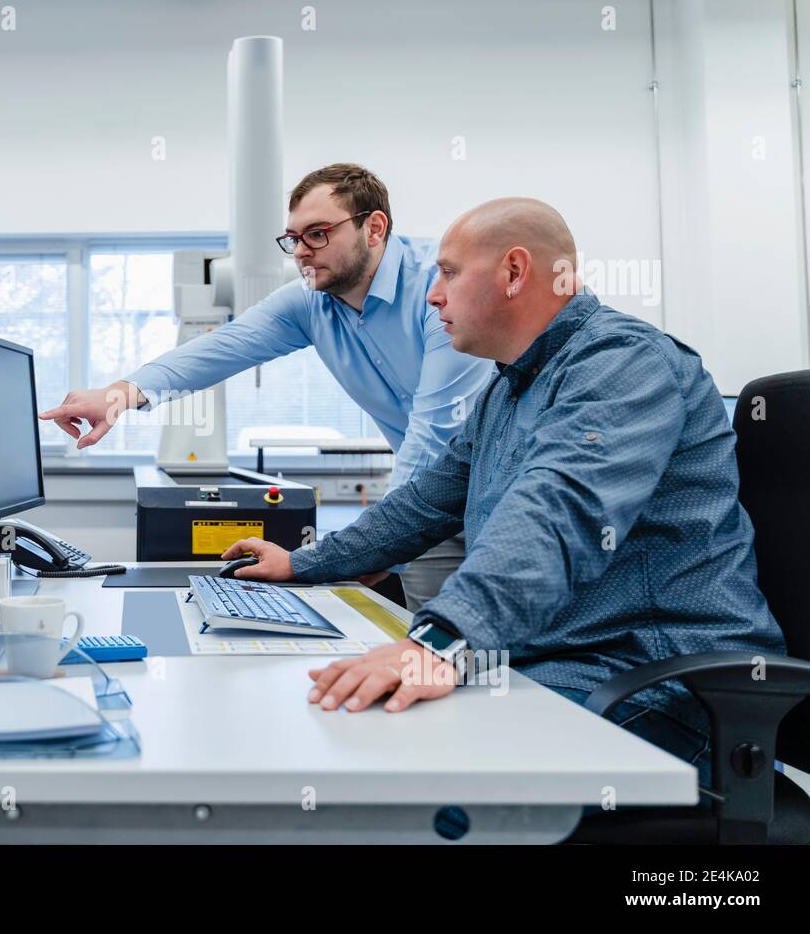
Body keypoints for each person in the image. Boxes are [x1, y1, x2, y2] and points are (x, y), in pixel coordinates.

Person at [219, 196, 786, 776]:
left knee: (399, 757)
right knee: (358, 726)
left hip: (661, 680)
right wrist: (305, 563)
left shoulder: (624, 363)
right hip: (561, 660)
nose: (433, 295)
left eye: (449, 273)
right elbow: (425, 503)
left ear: (514, 272)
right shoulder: (510, 388)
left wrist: (438, 644)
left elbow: (561, 510)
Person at [39, 163, 495, 608]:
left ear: (374, 228)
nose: (300, 251)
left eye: (318, 234)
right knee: (437, 652)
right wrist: (118, 395)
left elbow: (433, 435)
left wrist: (368, 546)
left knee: (500, 657)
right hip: (425, 506)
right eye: (293, 239)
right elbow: (223, 348)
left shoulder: (439, 289)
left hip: (497, 496)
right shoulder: (310, 301)